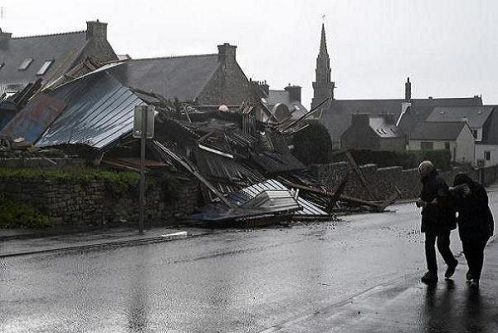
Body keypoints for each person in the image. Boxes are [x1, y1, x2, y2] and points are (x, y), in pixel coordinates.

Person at [416, 161, 458, 284]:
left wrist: (426, 204)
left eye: (421, 170)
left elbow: (442, 202)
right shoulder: (427, 182)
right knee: (429, 245)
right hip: (430, 219)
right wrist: (421, 200)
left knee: (442, 245)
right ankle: (432, 272)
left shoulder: (438, 182)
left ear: (427, 170)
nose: (419, 173)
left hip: (442, 219)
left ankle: (451, 262)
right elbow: (426, 197)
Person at [451, 173, 494, 289]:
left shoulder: (478, 189)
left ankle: (476, 277)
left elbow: (482, 206)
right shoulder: (458, 193)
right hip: (466, 227)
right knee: (467, 250)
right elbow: (455, 207)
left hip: (481, 226)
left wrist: (469, 195)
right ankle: (472, 269)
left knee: (478, 252)